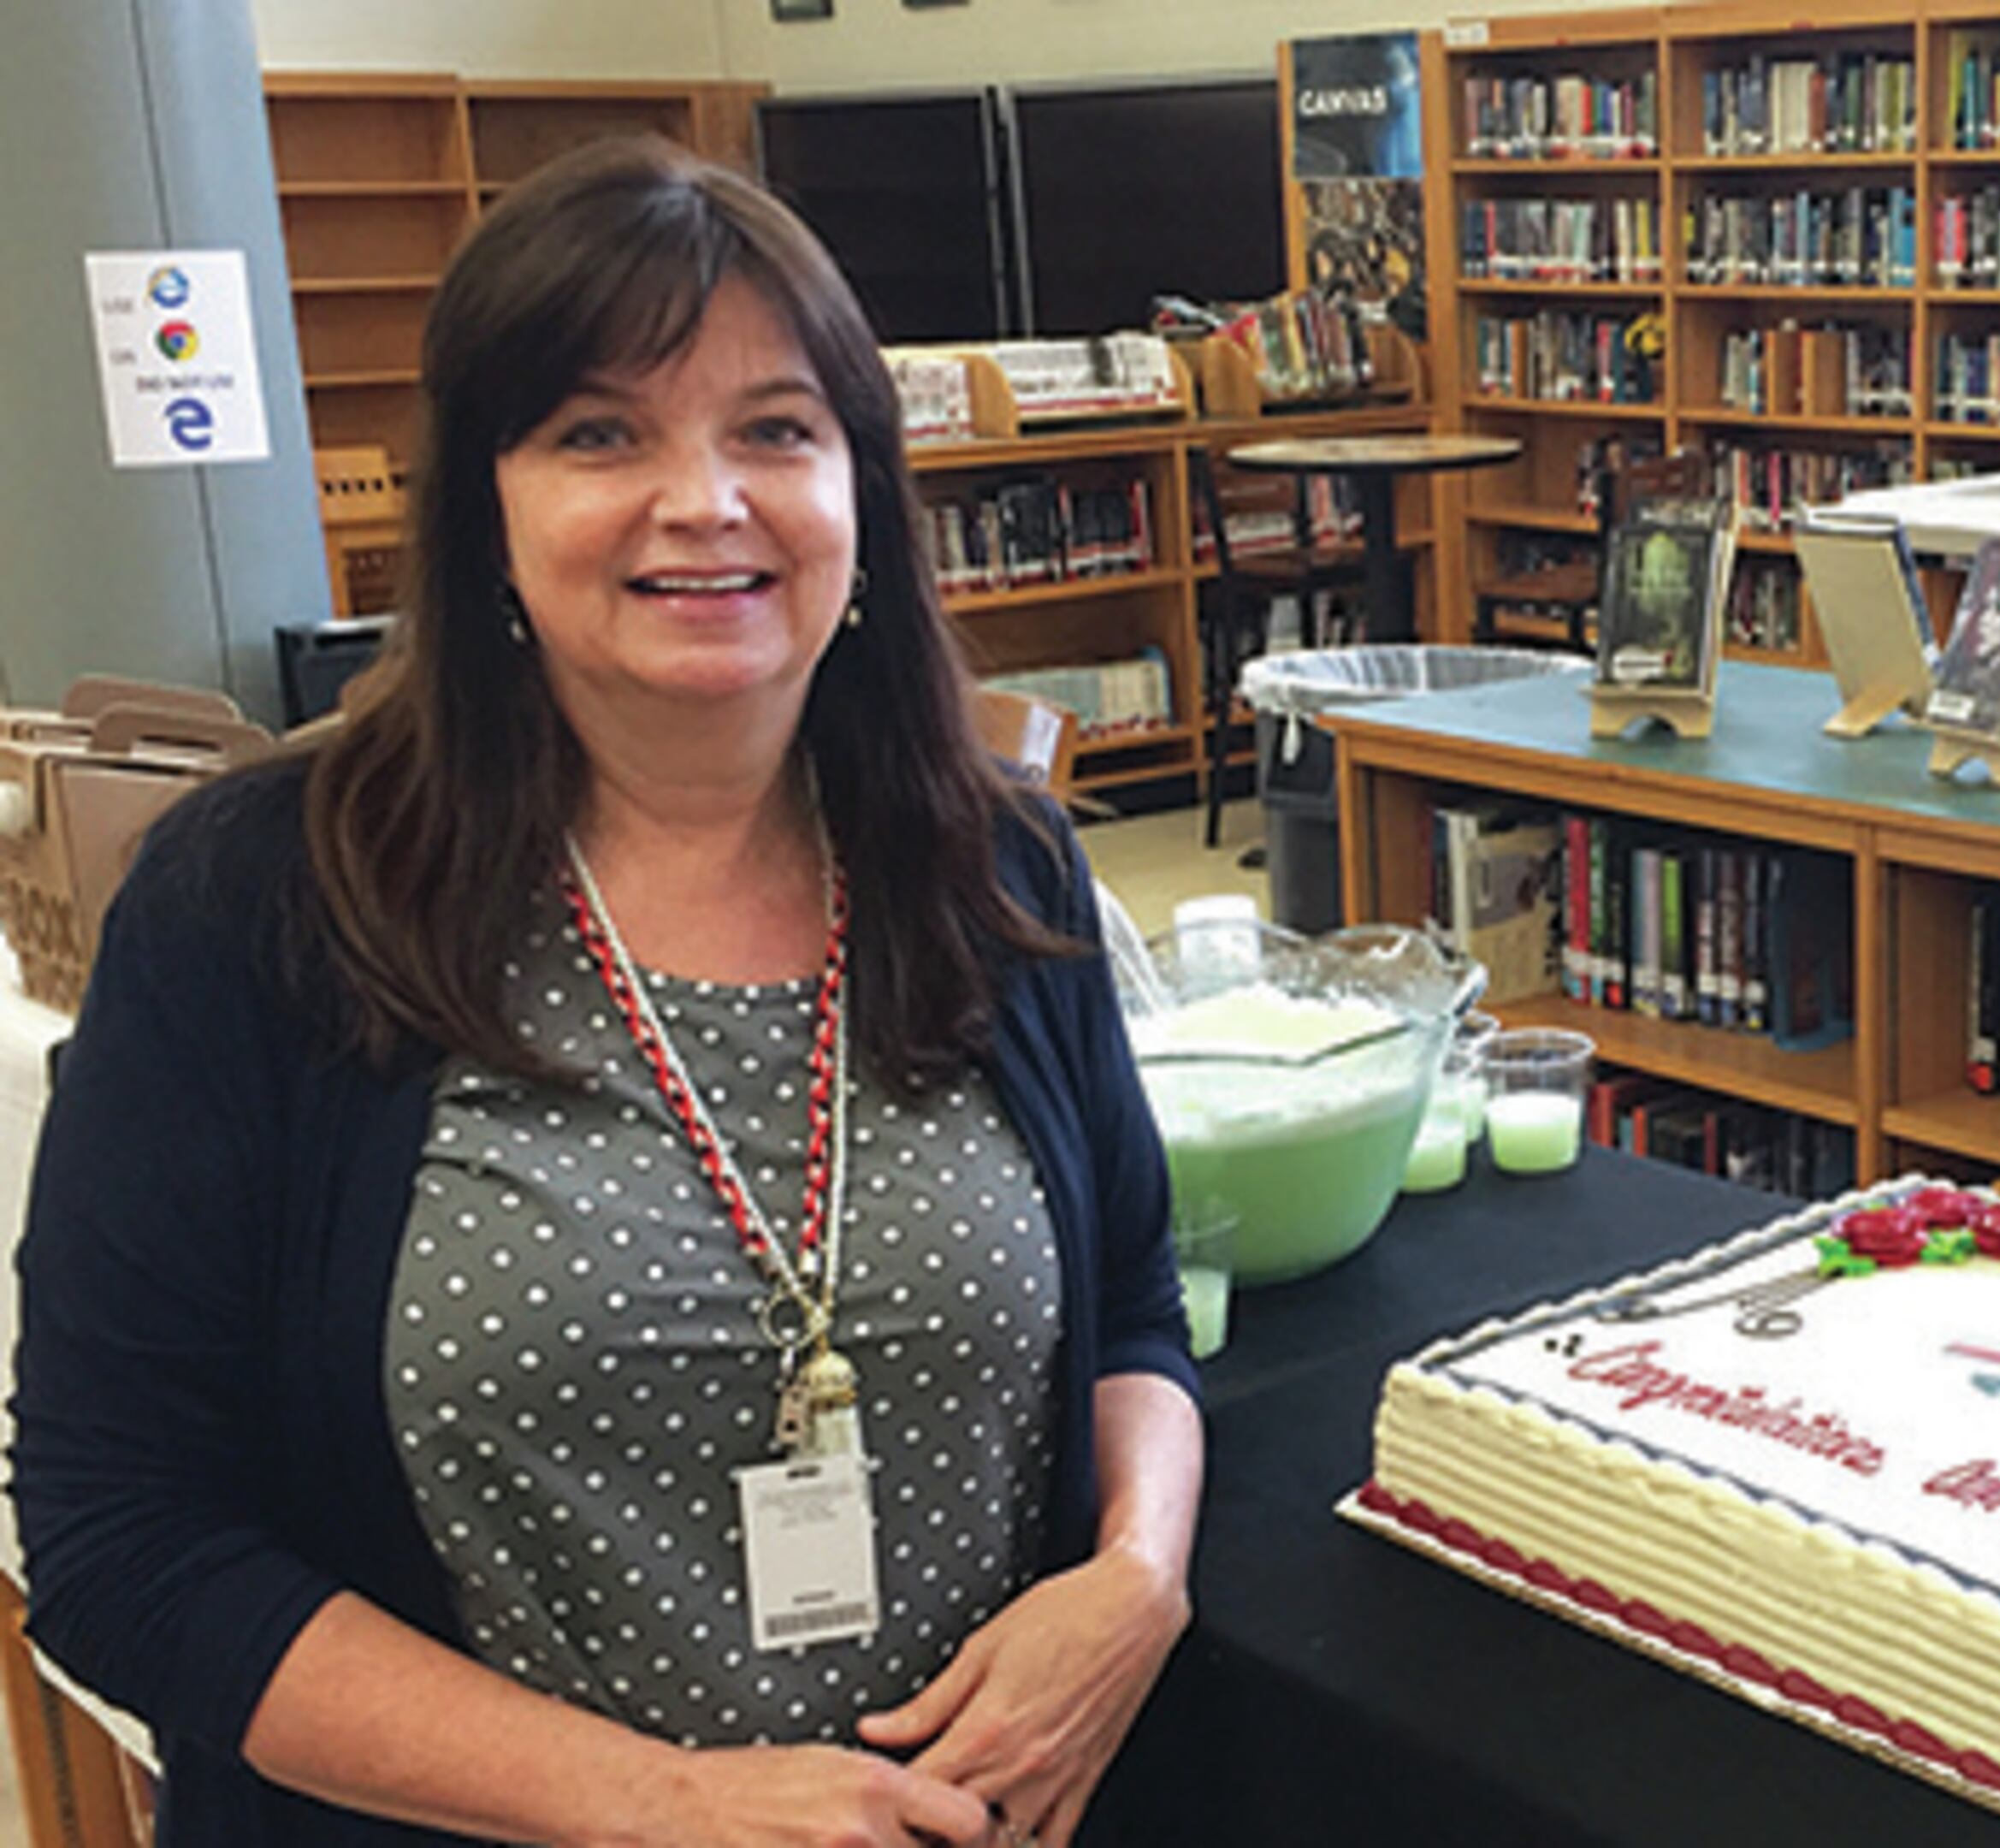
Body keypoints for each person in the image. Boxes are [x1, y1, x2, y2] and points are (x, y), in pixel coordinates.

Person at [10, 139, 1201, 1846]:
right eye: (598, 434)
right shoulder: (257, 904)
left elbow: (1137, 1303)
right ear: (484, 512)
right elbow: (123, 1539)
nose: (704, 499)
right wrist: (663, 1807)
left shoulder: (992, 865)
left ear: (862, 497)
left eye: (776, 429)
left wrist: (1138, 1572)